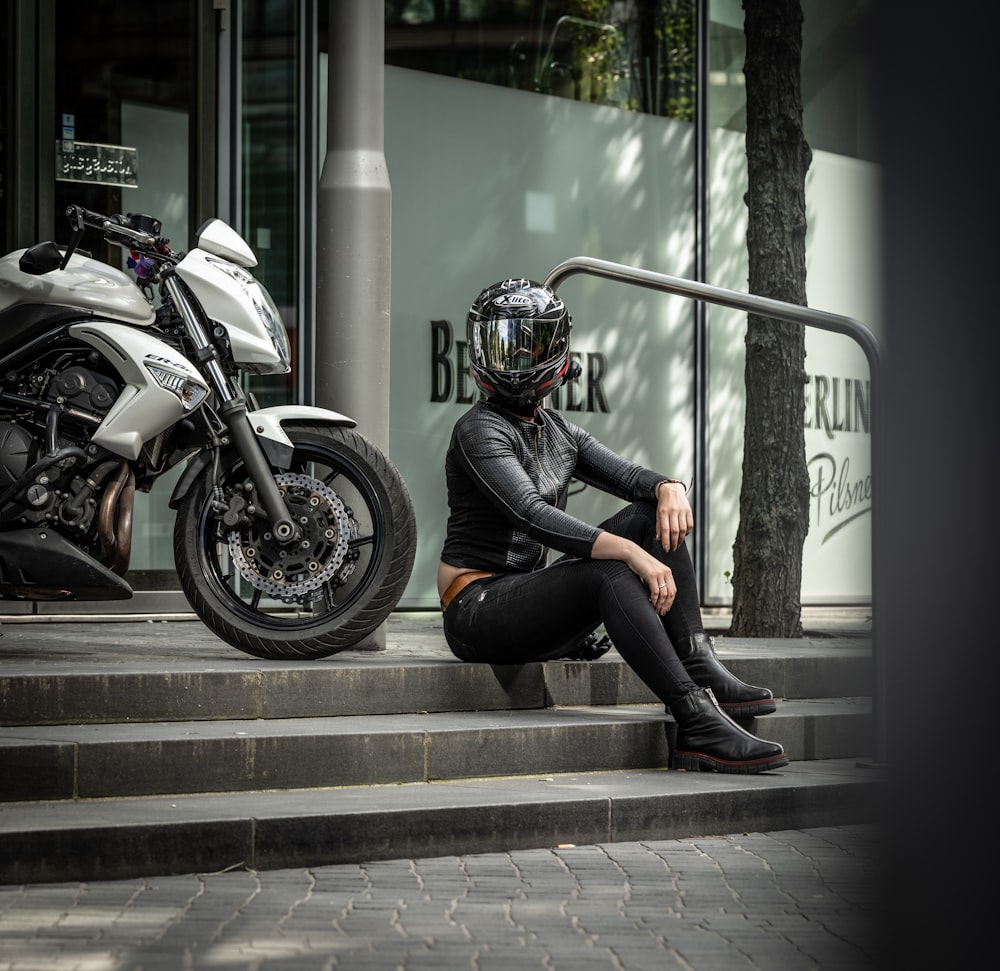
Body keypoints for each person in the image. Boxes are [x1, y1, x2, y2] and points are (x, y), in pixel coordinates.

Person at [437, 278, 788, 775]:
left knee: (649, 516)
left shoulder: (559, 431)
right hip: (476, 611)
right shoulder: (477, 429)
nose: (510, 359)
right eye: (499, 344)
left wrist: (670, 487)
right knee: (612, 568)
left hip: (525, 597)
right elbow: (531, 515)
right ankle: (694, 719)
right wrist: (628, 552)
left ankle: (698, 663)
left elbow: (630, 478)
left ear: (556, 349)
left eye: (525, 344)